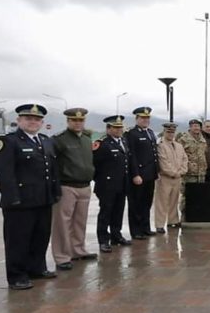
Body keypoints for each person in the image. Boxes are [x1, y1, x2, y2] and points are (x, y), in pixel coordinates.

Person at [0, 104, 61, 290]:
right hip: (20, 202)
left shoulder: (45, 141)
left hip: (43, 199)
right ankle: (17, 276)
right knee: (18, 240)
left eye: (37, 119)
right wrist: (12, 198)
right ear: (19, 120)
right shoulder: (8, 141)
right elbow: (3, 173)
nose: (33, 122)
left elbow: (52, 170)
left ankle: (36, 268)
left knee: (40, 237)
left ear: (42, 122)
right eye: (28, 118)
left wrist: (55, 192)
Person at [50, 108, 96, 270]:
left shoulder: (85, 139)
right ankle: (62, 256)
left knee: (80, 221)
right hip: (67, 186)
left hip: (84, 186)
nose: (78, 123)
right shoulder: (59, 140)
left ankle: (78, 250)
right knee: (62, 223)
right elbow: (51, 163)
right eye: (74, 120)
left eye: (81, 120)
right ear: (68, 121)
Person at [92, 115, 132, 253]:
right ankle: (103, 240)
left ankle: (116, 235)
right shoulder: (102, 144)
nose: (119, 130)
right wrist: (101, 182)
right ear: (108, 128)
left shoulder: (123, 141)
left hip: (121, 184)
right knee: (105, 213)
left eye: (120, 127)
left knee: (118, 211)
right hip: (107, 185)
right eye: (115, 128)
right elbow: (95, 165)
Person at [125, 106, 159, 239]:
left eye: (147, 118)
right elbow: (131, 155)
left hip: (150, 174)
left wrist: (157, 171)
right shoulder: (131, 134)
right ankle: (136, 231)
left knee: (147, 203)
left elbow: (154, 154)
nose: (146, 120)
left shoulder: (150, 133)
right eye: (143, 118)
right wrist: (135, 174)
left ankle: (145, 228)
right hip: (139, 175)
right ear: (137, 119)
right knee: (136, 204)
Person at [154, 123, 188, 232]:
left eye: (172, 132)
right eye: (168, 132)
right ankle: (159, 224)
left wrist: (182, 171)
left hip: (178, 178)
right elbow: (163, 162)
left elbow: (184, 159)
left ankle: (172, 221)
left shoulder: (179, 146)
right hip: (165, 178)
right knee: (162, 202)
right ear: (164, 132)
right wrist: (173, 173)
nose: (170, 134)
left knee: (174, 200)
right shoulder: (160, 145)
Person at [178, 119, 207, 222]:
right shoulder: (183, 139)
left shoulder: (202, 139)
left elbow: (203, 154)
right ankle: (184, 215)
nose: (196, 128)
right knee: (187, 196)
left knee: (199, 195)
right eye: (194, 126)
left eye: (198, 126)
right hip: (189, 173)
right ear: (190, 127)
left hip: (201, 172)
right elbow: (179, 155)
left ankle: (195, 215)